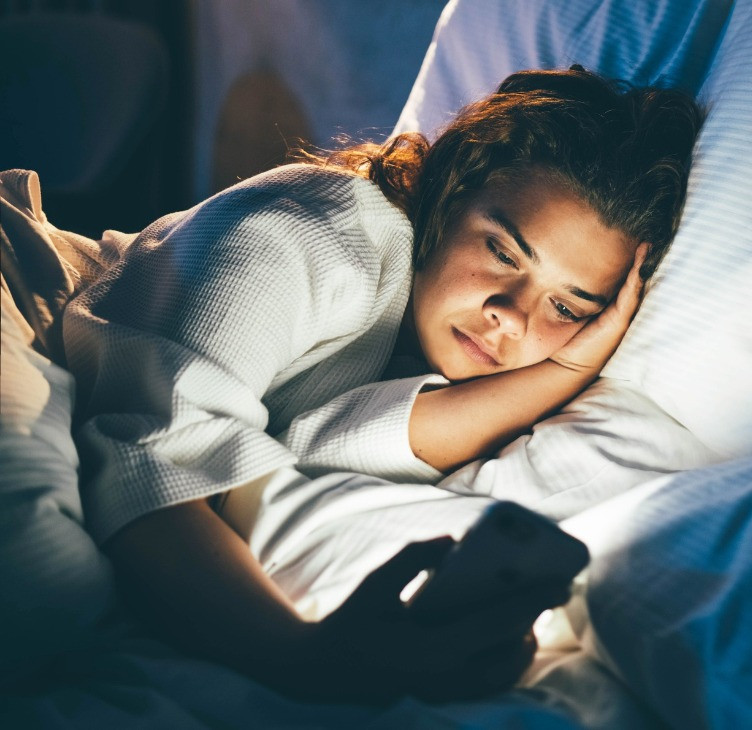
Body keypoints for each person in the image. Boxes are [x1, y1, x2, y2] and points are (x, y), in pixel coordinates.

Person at [58, 67, 703, 703]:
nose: (512, 313)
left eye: (566, 307)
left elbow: (320, 449)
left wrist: (566, 369)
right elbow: (141, 459)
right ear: (450, 193)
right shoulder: (319, 228)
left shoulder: (426, 341)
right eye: (504, 253)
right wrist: (307, 659)